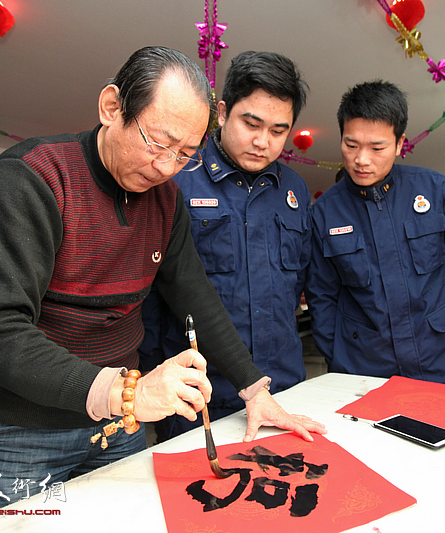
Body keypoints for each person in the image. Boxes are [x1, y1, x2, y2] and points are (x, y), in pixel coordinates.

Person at [0, 46, 324, 521]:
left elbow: (195, 295)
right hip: (18, 429)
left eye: (187, 154)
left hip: (117, 424)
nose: (168, 167)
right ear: (112, 107)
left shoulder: (165, 199)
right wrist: (129, 394)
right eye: (158, 143)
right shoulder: (32, 179)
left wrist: (254, 389)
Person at [139, 51, 312, 439]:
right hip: (200, 394)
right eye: (251, 123)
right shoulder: (177, 180)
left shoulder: (295, 191)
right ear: (222, 112)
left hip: (283, 384)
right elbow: (149, 296)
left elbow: (301, 281)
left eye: (278, 130)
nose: (262, 141)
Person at [307, 80, 445, 386]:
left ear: (400, 143)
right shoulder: (324, 212)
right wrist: (338, 354)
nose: (362, 159)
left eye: (377, 147)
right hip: (367, 369)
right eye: (351, 145)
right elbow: (322, 296)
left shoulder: (435, 190)